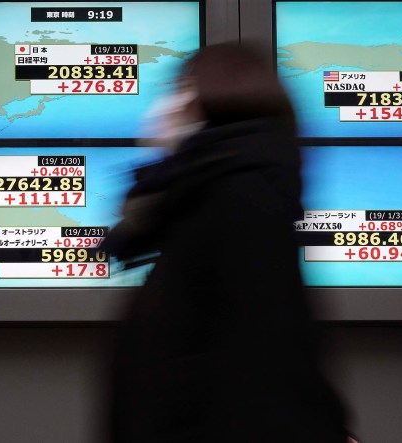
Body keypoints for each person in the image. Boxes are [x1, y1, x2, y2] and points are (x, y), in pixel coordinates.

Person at [101, 42, 352, 442]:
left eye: (179, 89)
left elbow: (272, 339)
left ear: (212, 101)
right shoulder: (208, 190)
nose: (161, 108)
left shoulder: (241, 195)